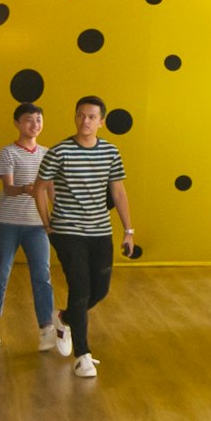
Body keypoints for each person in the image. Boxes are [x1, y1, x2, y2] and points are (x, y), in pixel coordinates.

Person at [39, 93, 133, 379]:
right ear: (75, 117)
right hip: (68, 232)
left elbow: (118, 191)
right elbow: (39, 187)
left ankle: (64, 318)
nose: (85, 121)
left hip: (100, 231)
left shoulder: (110, 152)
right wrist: (48, 225)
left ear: (101, 122)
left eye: (92, 116)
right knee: (79, 289)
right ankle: (83, 355)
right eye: (80, 115)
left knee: (99, 290)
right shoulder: (59, 151)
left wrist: (128, 230)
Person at [0, 100, 60, 351]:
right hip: (7, 222)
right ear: (17, 123)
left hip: (37, 225)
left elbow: (51, 189)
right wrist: (27, 189)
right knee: (1, 272)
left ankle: (46, 328)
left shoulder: (47, 154)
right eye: (29, 119)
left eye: (38, 119)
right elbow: (8, 187)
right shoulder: (8, 152)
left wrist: (55, 218)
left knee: (42, 275)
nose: (34, 124)